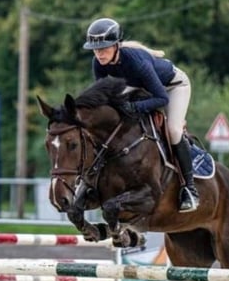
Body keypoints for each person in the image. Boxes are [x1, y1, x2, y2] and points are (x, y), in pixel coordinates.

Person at [82, 17, 199, 213]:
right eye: (96, 49)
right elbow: (105, 96)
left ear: (117, 45)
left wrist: (135, 107)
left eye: (104, 48)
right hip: (140, 89)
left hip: (172, 88)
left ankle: (189, 189)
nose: (99, 53)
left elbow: (161, 98)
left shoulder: (135, 62)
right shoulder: (98, 63)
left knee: (173, 131)